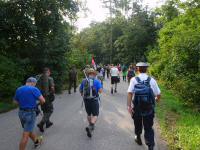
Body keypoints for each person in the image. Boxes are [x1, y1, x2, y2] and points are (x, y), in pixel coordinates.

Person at [127, 62, 161, 150]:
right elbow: (158, 94)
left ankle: (138, 137)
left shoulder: (134, 79)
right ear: (147, 69)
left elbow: (130, 93)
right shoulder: (152, 80)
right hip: (149, 108)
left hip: (137, 107)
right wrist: (155, 100)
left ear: (137, 69)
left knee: (137, 124)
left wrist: (129, 106)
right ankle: (150, 146)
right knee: (148, 127)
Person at [13, 77, 45, 150]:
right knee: (25, 135)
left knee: (27, 129)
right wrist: (37, 103)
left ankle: (37, 141)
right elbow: (43, 100)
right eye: (35, 84)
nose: (35, 85)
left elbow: (15, 102)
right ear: (32, 83)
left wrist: (23, 104)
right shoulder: (34, 89)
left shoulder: (19, 89)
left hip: (21, 113)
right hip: (30, 113)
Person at [80, 68, 103, 138]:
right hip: (94, 100)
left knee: (89, 114)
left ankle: (90, 125)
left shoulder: (84, 81)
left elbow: (81, 91)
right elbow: (100, 91)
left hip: (86, 100)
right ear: (94, 74)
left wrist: (84, 95)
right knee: (95, 114)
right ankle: (91, 126)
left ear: (88, 74)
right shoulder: (97, 81)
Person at [37, 68, 55, 132]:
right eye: (49, 71)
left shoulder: (39, 78)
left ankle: (48, 123)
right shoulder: (50, 78)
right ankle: (41, 123)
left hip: (40, 97)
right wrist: (51, 94)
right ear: (48, 72)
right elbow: (52, 88)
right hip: (47, 97)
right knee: (50, 110)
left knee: (45, 110)